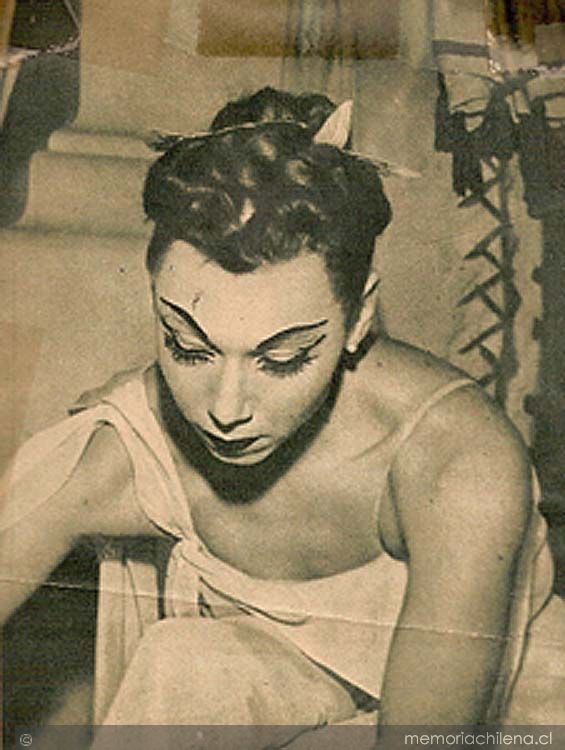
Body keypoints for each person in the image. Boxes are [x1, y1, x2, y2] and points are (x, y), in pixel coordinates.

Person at [0, 87, 562, 745]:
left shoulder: (457, 463)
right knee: (185, 667)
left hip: (501, 716)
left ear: (359, 316)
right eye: (189, 347)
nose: (225, 409)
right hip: (274, 687)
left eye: (283, 357)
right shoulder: (125, 452)